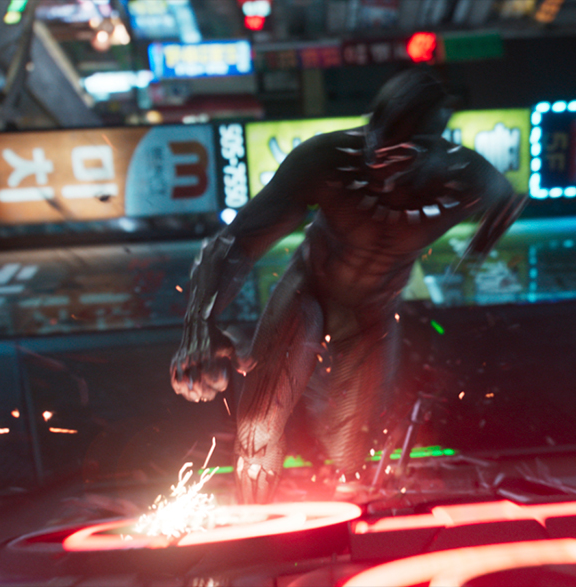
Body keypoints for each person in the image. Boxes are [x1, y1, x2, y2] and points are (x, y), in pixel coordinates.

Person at [170, 68, 527, 504]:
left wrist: (482, 242)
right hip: (307, 292)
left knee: (350, 452)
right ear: (369, 126)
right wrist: (199, 325)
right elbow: (234, 242)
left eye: (400, 152)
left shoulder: (466, 177)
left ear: (430, 151)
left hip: (371, 316)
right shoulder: (327, 161)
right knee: (259, 423)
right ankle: (251, 517)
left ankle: (344, 524)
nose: (381, 161)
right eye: (378, 141)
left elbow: (508, 197)